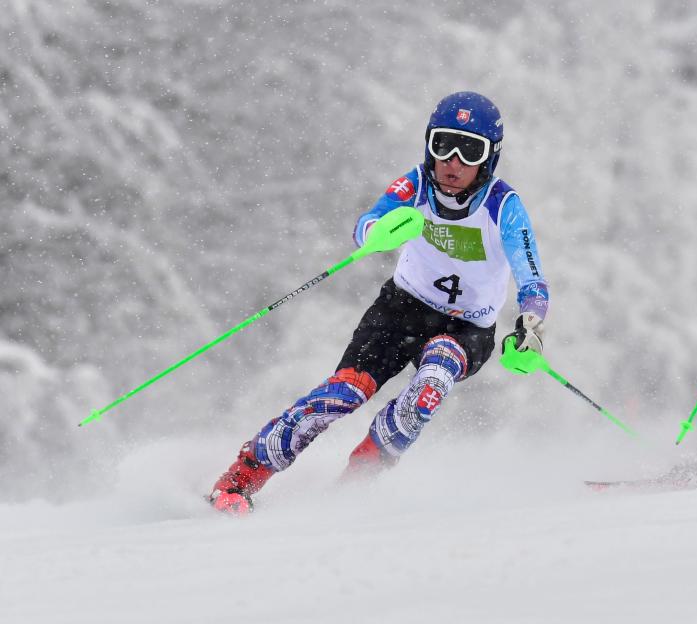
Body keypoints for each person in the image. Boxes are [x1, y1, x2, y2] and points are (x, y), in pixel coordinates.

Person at [208, 91, 550, 514]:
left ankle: (354, 486)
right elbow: (368, 222)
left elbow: (531, 277)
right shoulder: (417, 184)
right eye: (443, 145)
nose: (453, 161)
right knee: (343, 395)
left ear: (489, 158)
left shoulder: (504, 207)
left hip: (467, 328)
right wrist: (378, 232)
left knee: (434, 377)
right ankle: (240, 478)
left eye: (470, 149)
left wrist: (529, 328)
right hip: (401, 310)